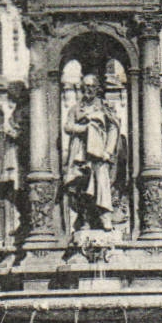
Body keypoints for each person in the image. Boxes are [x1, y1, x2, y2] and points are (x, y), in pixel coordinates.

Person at [63, 73, 122, 231]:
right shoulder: (76, 108)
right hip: (79, 153)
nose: (88, 89)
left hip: (99, 152)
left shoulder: (104, 106)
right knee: (80, 185)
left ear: (97, 88)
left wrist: (108, 151)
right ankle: (85, 219)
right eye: (85, 86)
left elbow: (114, 128)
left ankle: (105, 215)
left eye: (91, 86)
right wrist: (84, 129)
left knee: (101, 182)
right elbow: (68, 126)